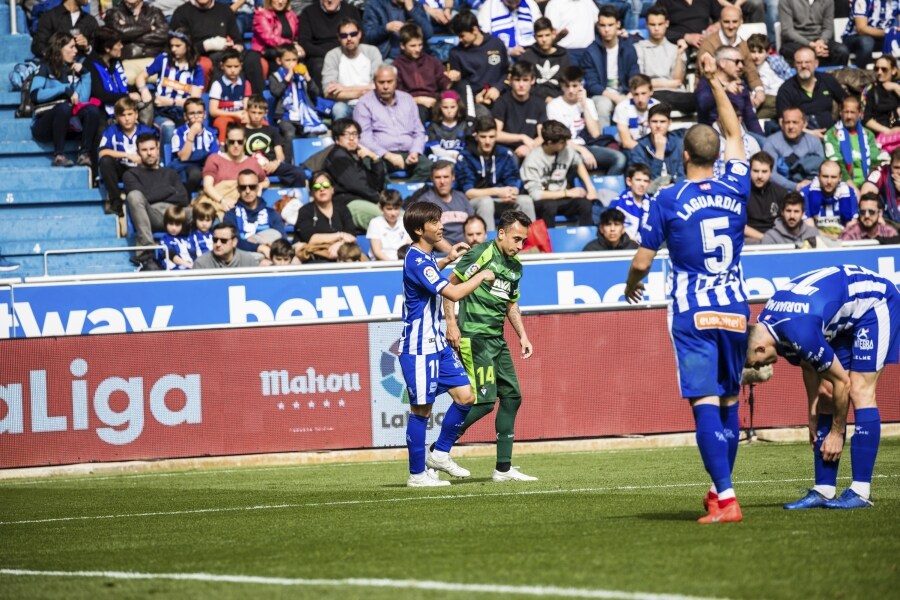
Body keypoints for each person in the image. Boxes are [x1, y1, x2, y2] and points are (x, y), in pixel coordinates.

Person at [624, 52, 750, 524]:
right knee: (731, 400)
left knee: (704, 403)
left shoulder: (668, 198)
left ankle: (728, 498)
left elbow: (642, 260)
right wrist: (715, 80)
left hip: (693, 312)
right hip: (736, 307)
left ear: (683, 155)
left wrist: (631, 284)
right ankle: (721, 492)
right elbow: (735, 132)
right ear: (716, 156)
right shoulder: (737, 184)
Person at [746, 265, 900, 509]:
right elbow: (810, 365)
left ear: (760, 348)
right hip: (839, 314)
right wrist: (812, 412)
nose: (759, 368)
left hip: (875, 302)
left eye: (755, 363)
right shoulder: (769, 324)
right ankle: (824, 490)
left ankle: (861, 492)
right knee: (827, 392)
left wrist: (837, 433)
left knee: (860, 389)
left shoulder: (797, 329)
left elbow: (843, 382)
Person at [432, 210, 537, 481]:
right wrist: (451, 324)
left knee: (513, 397)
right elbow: (449, 285)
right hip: (474, 337)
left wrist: (522, 336)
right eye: (516, 238)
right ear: (501, 233)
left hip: (497, 339)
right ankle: (437, 451)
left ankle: (503, 469)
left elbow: (510, 302)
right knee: (485, 402)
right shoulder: (481, 254)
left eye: (523, 241)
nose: (519, 245)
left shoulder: (515, 267)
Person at [398, 201, 496, 487]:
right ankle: (417, 475)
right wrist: (480, 276)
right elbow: (451, 292)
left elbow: (431, 275)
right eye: (434, 222)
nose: (441, 225)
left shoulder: (425, 257)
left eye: (440, 220)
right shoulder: (416, 259)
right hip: (419, 348)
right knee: (422, 411)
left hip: (436, 344)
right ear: (419, 229)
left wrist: (446, 260)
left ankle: (439, 453)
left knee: (466, 396)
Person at [31, 32, 102, 169]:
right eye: (71, 47)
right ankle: (59, 155)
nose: (76, 51)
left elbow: (82, 100)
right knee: (63, 108)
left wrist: (86, 75)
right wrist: (63, 89)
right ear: (59, 48)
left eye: (76, 47)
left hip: (69, 125)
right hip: (44, 125)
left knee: (92, 110)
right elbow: (35, 95)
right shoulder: (45, 66)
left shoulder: (75, 69)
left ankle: (84, 154)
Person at [455, 114, 538, 228]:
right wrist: (497, 191)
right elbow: (469, 192)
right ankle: (489, 244)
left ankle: (530, 244)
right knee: (486, 202)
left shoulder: (505, 154)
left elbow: (513, 181)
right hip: (474, 203)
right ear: (476, 136)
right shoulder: (466, 156)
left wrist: (512, 192)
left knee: (525, 200)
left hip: (501, 200)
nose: (488, 141)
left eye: (492, 136)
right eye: (483, 137)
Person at [124, 133, 192, 271]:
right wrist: (168, 190)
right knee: (134, 196)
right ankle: (147, 249)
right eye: (144, 150)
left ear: (157, 149)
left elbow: (183, 198)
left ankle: (202, 248)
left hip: (174, 215)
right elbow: (141, 198)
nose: (149, 153)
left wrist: (153, 195)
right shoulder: (131, 174)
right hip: (152, 215)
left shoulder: (171, 173)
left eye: (152, 149)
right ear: (138, 152)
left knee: (199, 210)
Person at [354, 65, 431, 182]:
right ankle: (389, 197)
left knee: (429, 166)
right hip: (380, 155)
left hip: (409, 153)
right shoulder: (364, 103)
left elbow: (419, 131)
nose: (385, 86)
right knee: (370, 166)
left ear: (396, 81)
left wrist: (415, 151)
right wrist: (388, 155)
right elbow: (364, 137)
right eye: (381, 82)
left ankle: (409, 195)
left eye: (389, 82)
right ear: (374, 82)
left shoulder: (408, 99)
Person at [547, 65, 627, 175]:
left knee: (620, 158)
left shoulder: (588, 102)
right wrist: (582, 151)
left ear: (581, 85)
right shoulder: (554, 105)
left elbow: (595, 134)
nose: (570, 90)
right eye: (567, 86)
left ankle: (607, 189)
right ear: (562, 86)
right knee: (577, 161)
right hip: (565, 149)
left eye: (575, 86)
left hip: (587, 145)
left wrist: (584, 106)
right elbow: (559, 139)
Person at [520, 119, 596, 226]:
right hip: (543, 200)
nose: (566, 144)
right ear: (550, 142)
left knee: (585, 204)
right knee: (549, 207)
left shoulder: (566, 150)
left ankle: (587, 239)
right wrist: (568, 193)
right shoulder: (532, 160)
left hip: (563, 197)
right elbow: (536, 194)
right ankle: (548, 240)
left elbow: (578, 162)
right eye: (562, 142)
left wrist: (590, 187)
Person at [136, 28, 204, 147]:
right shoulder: (163, 59)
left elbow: (195, 101)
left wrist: (171, 102)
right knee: (169, 128)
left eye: (178, 46)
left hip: (185, 114)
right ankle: (165, 162)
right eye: (172, 45)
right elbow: (140, 77)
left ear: (188, 46)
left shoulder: (196, 68)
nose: (173, 49)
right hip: (161, 112)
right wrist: (144, 91)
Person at [580, 6, 640, 129]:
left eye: (610, 25)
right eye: (602, 25)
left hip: (625, 92)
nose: (606, 29)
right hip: (602, 94)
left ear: (618, 24)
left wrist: (629, 95)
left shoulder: (628, 48)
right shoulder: (591, 51)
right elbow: (592, 84)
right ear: (598, 26)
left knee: (638, 101)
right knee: (603, 105)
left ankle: (635, 139)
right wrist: (616, 98)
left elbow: (635, 75)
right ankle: (604, 141)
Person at [696, 5, 765, 112]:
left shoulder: (742, 44)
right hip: (712, 94)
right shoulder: (708, 44)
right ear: (720, 22)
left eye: (734, 21)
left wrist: (759, 91)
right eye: (726, 22)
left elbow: (751, 72)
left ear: (741, 21)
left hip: (739, 91)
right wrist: (726, 87)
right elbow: (705, 74)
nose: (731, 26)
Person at [322, 117, 387, 230]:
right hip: (347, 203)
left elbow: (376, 184)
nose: (352, 138)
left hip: (362, 201)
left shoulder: (355, 157)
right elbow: (356, 185)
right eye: (346, 134)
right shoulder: (338, 157)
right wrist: (379, 200)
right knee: (392, 219)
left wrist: (374, 159)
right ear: (337, 138)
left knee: (402, 218)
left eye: (355, 134)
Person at [268, 44, 328, 158]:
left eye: (294, 60)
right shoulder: (275, 76)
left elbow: (315, 94)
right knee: (289, 133)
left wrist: (308, 78)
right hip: (285, 116)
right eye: (287, 60)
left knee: (312, 134)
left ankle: (312, 162)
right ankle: (289, 162)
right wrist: (287, 78)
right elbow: (276, 92)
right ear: (279, 61)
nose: (292, 63)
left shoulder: (301, 76)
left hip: (304, 115)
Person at [98, 97, 155, 216]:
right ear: (117, 117)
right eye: (123, 115)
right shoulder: (112, 131)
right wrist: (127, 155)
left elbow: (155, 153)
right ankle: (116, 203)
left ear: (136, 114)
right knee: (106, 161)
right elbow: (102, 152)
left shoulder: (145, 131)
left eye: (130, 114)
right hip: (121, 169)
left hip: (140, 169)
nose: (127, 118)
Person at [199, 125, 269, 219]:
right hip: (216, 205)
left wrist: (259, 186)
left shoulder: (252, 162)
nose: (236, 145)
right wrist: (222, 201)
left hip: (242, 209)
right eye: (232, 142)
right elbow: (207, 186)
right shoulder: (214, 159)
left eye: (239, 142)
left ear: (244, 141)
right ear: (227, 141)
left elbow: (265, 181)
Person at [634, 5, 694, 115]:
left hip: (676, 94)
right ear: (647, 25)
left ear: (666, 23)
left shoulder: (676, 49)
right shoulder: (638, 48)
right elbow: (641, 83)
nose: (656, 28)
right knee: (657, 99)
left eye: (660, 24)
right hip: (652, 94)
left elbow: (677, 80)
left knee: (699, 99)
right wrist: (668, 84)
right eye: (652, 24)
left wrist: (679, 55)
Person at [695, 46, 764, 140]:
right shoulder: (706, 82)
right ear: (722, 63)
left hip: (739, 135)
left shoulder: (741, 85)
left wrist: (762, 141)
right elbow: (703, 104)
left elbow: (750, 119)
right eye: (737, 62)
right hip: (711, 136)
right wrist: (723, 90)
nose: (741, 66)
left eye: (742, 62)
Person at [321, 17, 382, 121]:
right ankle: (340, 136)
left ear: (359, 34)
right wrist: (360, 92)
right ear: (339, 38)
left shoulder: (372, 52)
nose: (349, 38)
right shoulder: (332, 55)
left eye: (353, 34)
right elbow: (328, 92)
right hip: (345, 105)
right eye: (344, 36)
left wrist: (343, 89)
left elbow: (378, 86)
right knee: (338, 109)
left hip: (370, 103)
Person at [775, 47, 847, 134]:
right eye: (799, 63)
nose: (803, 66)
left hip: (833, 134)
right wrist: (810, 133)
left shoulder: (827, 80)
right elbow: (782, 122)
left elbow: (847, 102)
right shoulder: (786, 90)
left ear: (816, 63)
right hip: (801, 138)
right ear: (794, 65)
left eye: (807, 62)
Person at [448, 10, 509, 112]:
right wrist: (474, 99)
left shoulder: (497, 44)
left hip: (499, 96)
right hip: (473, 103)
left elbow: (507, 73)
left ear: (475, 30)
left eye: (462, 36)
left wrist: (498, 88)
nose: (459, 40)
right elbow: (459, 87)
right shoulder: (455, 53)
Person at [169, 0, 242, 84]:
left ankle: (254, 96)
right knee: (211, 62)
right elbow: (179, 47)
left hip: (225, 52)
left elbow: (237, 39)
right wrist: (207, 45)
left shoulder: (224, 10)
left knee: (251, 58)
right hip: (196, 54)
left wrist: (238, 47)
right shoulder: (182, 12)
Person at [243, 94, 307, 187]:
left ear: (266, 113)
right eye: (253, 112)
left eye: (260, 113)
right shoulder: (242, 132)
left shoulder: (272, 130)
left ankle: (295, 198)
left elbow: (280, 155)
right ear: (247, 111)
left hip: (272, 166)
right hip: (251, 168)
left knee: (298, 173)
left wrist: (275, 163)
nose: (256, 116)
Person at [394, 24, 453, 124]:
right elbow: (397, 95)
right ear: (402, 46)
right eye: (413, 46)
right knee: (419, 111)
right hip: (413, 103)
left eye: (420, 45)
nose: (417, 49)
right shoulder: (397, 66)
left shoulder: (432, 61)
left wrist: (451, 81)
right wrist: (418, 100)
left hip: (436, 101)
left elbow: (443, 80)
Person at [224, 170, 288, 260]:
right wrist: (259, 248)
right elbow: (230, 243)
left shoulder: (272, 214)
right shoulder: (230, 215)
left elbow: (283, 242)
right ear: (238, 189)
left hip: (269, 260)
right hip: (242, 262)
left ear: (258, 188)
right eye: (243, 187)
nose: (247, 191)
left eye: (252, 187)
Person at [294, 171, 357, 262]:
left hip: (342, 254)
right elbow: (312, 239)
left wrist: (339, 244)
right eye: (317, 186)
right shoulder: (305, 211)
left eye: (326, 185)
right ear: (312, 192)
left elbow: (351, 236)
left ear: (332, 189)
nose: (322, 189)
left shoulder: (343, 209)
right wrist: (340, 235)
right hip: (315, 257)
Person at [824, 96, 884, 191]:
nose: (849, 116)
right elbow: (837, 163)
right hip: (843, 185)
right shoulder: (832, 134)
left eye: (852, 112)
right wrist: (853, 189)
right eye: (846, 112)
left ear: (859, 114)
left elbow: (875, 162)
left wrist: (868, 186)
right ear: (840, 113)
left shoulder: (868, 135)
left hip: (868, 184)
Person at [299, 0, 363, 88]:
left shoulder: (351, 10)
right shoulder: (308, 12)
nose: (330, 0)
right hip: (320, 55)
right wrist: (329, 55)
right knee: (319, 67)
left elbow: (361, 37)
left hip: (348, 52)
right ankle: (325, 100)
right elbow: (304, 42)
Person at [85, 28, 143, 122]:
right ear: (107, 48)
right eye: (118, 44)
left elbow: (121, 84)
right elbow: (101, 95)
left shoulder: (116, 61)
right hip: (102, 112)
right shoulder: (90, 65)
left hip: (122, 106)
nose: (122, 46)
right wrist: (128, 96)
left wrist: (141, 90)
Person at [762, 107, 826, 193]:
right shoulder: (771, 142)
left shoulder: (814, 141)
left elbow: (823, 169)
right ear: (782, 124)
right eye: (787, 122)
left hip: (812, 189)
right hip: (781, 191)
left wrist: (810, 184)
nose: (791, 126)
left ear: (804, 124)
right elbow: (770, 173)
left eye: (795, 122)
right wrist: (795, 186)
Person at [244, 0, 302, 94]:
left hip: (287, 53)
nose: (280, 1)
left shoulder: (291, 15)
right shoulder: (261, 15)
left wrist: (298, 46)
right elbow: (269, 38)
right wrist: (292, 44)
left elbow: (296, 36)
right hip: (268, 54)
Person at [492, 61, 546, 159]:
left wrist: (529, 147)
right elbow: (495, 134)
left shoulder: (539, 103)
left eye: (525, 80)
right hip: (506, 150)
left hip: (531, 149)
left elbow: (542, 136)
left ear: (532, 80)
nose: (521, 85)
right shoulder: (502, 102)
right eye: (517, 80)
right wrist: (522, 137)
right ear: (510, 80)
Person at [415, 160, 475, 250]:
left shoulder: (462, 198)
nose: (442, 181)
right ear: (432, 178)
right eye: (438, 177)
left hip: (467, 250)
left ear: (453, 177)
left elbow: (474, 224)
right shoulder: (425, 201)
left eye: (446, 177)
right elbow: (430, 234)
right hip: (443, 254)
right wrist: (453, 254)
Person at [626, 103, 686, 184]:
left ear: (669, 123)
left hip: (675, 190)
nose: (658, 125)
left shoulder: (679, 144)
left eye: (662, 122)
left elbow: (684, 175)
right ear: (648, 123)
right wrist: (659, 152)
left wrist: (672, 185)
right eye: (654, 121)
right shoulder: (639, 149)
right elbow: (645, 181)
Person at [779, 0, 850, 67]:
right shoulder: (786, 1)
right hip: (797, 42)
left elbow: (828, 28)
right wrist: (810, 45)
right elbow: (787, 31)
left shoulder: (828, 1)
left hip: (820, 41)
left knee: (841, 51)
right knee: (786, 51)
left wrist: (821, 41)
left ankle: (830, 78)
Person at [170, 98, 219, 195]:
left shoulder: (211, 133)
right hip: (187, 165)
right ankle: (185, 198)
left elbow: (215, 157)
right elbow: (183, 158)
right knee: (195, 174)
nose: (196, 117)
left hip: (206, 165)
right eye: (192, 113)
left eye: (199, 113)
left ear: (204, 115)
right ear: (185, 116)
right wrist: (191, 134)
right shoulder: (178, 132)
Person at [801, 160, 859, 239]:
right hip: (816, 242)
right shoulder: (806, 193)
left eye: (833, 177)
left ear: (840, 177)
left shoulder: (849, 193)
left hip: (843, 241)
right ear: (818, 176)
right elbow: (809, 228)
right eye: (825, 176)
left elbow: (851, 226)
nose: (829, 181)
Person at [103, 0, 169, 69]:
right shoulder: (114, 13)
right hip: (127, 62)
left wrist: (130, 35)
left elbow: (164, 35)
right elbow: (118, 34)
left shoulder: (155, 12)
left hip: (153, 60)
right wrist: (148, 27)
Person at [362, 0, 433, 61]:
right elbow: (368, 36)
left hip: (415, 56)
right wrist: (386, 28)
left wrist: (412, 10)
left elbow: (428, 33)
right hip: (389, 58)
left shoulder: (415, 5)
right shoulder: (376, 5)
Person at [518, 17, 570, 101]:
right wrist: (544, 98)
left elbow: (567, 83)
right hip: (533, 100)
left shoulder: (563, 56)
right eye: (540, 36)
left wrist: (558, 101)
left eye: (547, 35)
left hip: (559, 101)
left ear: (553, 34)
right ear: (534, 37)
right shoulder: (527, 56)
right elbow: (523, 84)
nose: (544, 39)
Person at [208, 49, 252, 143]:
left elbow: (246, 106)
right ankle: (222, 147)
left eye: (236, 66)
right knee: (225, 123)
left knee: (257, 122)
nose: (232, 70)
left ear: (241, 66)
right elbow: (213, 111)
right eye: (229, 66)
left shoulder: (246, 84)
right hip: (222, 117)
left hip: (240, 117)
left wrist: (245, 114)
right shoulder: (217, 85)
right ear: (222, 66)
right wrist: (234, 114)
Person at [31, 0, 99, 59]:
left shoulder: (90, 21)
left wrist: (87, 48)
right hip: (55, 69)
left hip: (82, 69)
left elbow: (99, 52)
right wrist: (57, 56)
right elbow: (38, 46)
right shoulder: (50, 17)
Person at [745, 33, 790, 120]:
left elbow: (763, 84)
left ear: (768, 52)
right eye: (753, 52)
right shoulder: (750, 66)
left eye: (760, 52)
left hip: (775, 98)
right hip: (768, 98)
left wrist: (754, 96)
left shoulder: (765, 67)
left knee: (754, 119)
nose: (756, 56)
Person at [477, 0, 541, 58]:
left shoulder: (530, 3)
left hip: (530, 52)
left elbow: (540, 30)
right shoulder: (488, 6)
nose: (513, 4)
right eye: (510, 1)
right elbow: (485, 38)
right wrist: (508, 51)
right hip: (501, 54)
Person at [861, 55, 900, 151]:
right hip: (881, 135)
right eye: (876, 69)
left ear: (894, 70)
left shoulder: (898, 86)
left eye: (884, 69)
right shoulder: (870, 90)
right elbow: (866, 119)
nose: (879, 72)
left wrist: (896, 87)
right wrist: (888, 131)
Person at [613, 74, 659, 152]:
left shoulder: (657, 106)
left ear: (651, 92)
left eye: (643, 93)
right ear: (631, 93)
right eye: (636, 94)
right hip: (629, 148)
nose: (640, 99)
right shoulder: (622, 108)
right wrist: (647, 153)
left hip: (652, 147)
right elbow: (626, 142)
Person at [841, 0, 893, 69]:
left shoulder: (896, 2)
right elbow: (861, 29)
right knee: (867, 42)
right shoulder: (862, 1)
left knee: (894, 39)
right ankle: (860, 76)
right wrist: (887, 33)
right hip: (854, 38)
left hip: (880, 38)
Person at [744, 151, 782, 243]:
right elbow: (738, 225)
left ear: (771, 172)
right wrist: (765, 238)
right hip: (749, 240)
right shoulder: (741, 193)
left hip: (776, 238)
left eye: (764, 171)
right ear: (749, 171)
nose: (759, 176)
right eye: (755, 171)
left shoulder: (780, 192)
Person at [652, 0, 720, 48]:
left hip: (705, 42)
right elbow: (657, 29)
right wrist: (686, 37)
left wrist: (716, 26)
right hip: (677, 45)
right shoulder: (664, 2)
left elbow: (723, 17)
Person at [425, 91, 470, 163]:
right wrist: (452, 156)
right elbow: (434, 149)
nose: (449, 111)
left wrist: (460, 156)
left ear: (459, 107)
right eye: (445, 107)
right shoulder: (433, 127)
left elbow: (469, 148)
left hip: (461, 162)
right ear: (439, 108)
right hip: (439, 161)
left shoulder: (465, 126)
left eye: (453, 107)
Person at [366, 190, 411, 260]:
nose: (393, 213)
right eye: (389, 209)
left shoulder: (405, 221)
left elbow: (409, 245)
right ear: (381, 208)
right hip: (380, 263)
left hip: (402, 261)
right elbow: (377, 251)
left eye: (396, 208)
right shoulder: (375, 223)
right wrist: (392, 263)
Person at [610, 164, 650, 242]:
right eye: (638, 180)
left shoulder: (654, 204)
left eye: (645, 181)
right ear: (629, 181)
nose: (642, 184)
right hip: (624, 248)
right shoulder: (617, 203)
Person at [194, 222, 262, 268]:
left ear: (234, 242)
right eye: (215, 240)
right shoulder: (201, 264)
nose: (218, 244)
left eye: (224, 241)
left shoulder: (248, 261)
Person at [860, 146, 900, 223]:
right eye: (896, 168)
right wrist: (877, 217)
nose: (899, 172)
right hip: (886, 221)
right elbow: (865, 196)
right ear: (890, 165)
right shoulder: (881, 173)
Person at [156, 205, 194, 270]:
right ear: (166, 223)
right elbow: (174, 258)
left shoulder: (186, 239)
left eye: (177, 224)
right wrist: (191, 266)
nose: (174, 228)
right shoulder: (165, 240)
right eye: (171, 224)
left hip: (190, 270)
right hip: (174, 272)